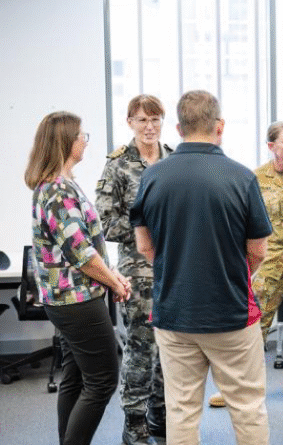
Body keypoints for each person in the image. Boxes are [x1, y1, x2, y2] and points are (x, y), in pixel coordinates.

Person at [130, 90, 273, 445]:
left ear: (178, 128)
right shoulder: (242, 178)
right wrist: (230, 274)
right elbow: (258, 251)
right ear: (219, 126)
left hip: (174, 312)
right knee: (248, 408)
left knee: (180, 409)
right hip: (231, 311)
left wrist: (176, 270)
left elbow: (144, 246)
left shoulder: (152, 177)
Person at [24, 111, 131, 445]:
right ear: (66, 142)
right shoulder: (58, 191)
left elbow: (86, 245)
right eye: (82, 135)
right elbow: (80, 253)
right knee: (102, 381)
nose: (85, 141)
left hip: (71, 298)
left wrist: (111, 274)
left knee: (76, 377)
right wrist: (114, 282)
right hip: (76, 301)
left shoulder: (60, 184)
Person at [208, 121, 283, 408]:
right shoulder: (256, 177)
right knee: (255, 324)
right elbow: (243, 219)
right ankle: (238, 386)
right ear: (271, 146)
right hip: (268, 259)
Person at [95, 94, 172, 444]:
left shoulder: (173, 160)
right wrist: (147, 230)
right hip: (137, 271)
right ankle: (135, 422)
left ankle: (161, 413)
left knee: (171, 346)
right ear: (130, 123)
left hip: (173, 268)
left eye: (155, 119)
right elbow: (105, 222)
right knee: (141, 348)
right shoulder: (118, 165)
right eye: (142, 120)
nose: (150, 127)